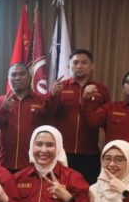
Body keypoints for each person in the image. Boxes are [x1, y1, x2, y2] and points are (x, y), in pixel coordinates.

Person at [45, 49, 109, 184]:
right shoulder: (60, 87)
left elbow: (104, 121)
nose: (79, 66)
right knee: (61, 189)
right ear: (69, 66)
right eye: (75, 63)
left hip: (89, 153)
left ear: (92, 66)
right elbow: (48, 115)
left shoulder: (101, 90)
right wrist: (52, 96)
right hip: (63, 152)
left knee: (88, 190)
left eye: (84, 63)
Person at [0, 63, 48, 172]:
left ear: (30, 77)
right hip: (6, 162)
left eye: (22, 74)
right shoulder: (0, 101)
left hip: (33, 163)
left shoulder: (42, 100)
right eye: (13, 75)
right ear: (8, 78)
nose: (17, 77)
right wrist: (3, 109)